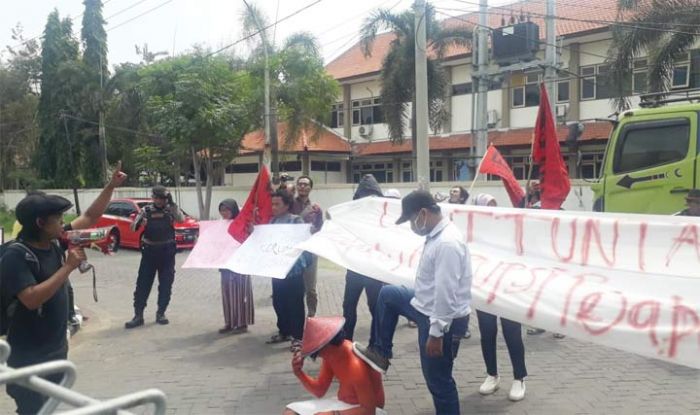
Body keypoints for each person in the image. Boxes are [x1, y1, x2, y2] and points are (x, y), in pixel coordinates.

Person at [0, 164, 126, 414]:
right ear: (40, 223)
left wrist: (111, 186)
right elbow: (31, 299)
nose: (63, 224)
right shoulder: (16, 256)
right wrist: (67, 268)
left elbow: (90, 217)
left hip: (56, 349)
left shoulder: (54, 240)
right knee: (33, 409)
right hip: (28, 357)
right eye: (58, 219)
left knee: (48, 408)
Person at [354, 190, 472, 415]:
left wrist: (436, 334)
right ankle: (381, 352)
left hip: (442, 319)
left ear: (423, 213)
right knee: (388, 294)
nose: (411, 226)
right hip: (424, 306)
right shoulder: (437, 236)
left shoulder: (447, 243)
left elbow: (446, 293)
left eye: (410, 220)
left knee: (438, 381)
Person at [473, 194, 527, 402]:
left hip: (506, 291)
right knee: (487, 333)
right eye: (487, 207)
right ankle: (492, 375)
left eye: (494, 206)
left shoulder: (507, 230)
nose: (491, 211)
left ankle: (519, 377)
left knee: (512, 333)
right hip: (484, 290)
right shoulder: (473, 233)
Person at [285, 316, 385, 415]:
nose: (321, 356)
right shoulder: (332, 354)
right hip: (344, 404)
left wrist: (333, 414)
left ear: (328, 346)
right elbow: (319, 390)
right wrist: (299, 373)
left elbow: (369, 410)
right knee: (290, 413)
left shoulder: (355, 367)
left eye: (320, 353)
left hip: (368, 410)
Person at [124, 185, 184, 329]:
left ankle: (161, 313)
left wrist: (172, 203)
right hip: (150, 252)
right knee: (142, 284)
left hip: (167, 252)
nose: (158, 201)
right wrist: (139, 223)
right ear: (153, 198)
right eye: (156, 198)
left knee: (165, 284)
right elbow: (132, 228)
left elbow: (181, 219)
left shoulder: (171, 210)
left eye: (162, 198)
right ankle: (138, 315)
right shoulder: (146, 211)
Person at [343, 175, 386, 346]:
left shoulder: (383, 217)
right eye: (364, 193)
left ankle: (376, 343)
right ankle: (346, 343)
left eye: (372, 194)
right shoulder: (350, 216)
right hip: (354, 267)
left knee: (375, 306)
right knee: (348, 306)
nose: (368, 197)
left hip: (373, 269)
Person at [264, 190, 308, 352]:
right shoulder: (273, 221)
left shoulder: (296, 221)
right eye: (272, 204)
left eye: (277, 204)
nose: (273, 207)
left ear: (287, 205)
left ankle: (298, 337)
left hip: (293, 270)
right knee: (279, 302)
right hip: (277, 270)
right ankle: (284, 331)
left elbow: (302, 240)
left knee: (295, 304)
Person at [218, 199, 254, 334]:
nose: (224, 213)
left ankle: (242, 323)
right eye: (222, 210)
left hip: (241, 264)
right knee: (227, 294)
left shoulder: (242, 224)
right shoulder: (219, 226)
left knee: (241, 294)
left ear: (233, 210)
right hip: (225, 265)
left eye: (227, 210)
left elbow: (249, 239)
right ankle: (229, 322)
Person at [290, 175, 323, 317]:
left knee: (311, 287)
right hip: (293, 250)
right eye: (300, 184)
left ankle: (311, 316)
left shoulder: (315, 207)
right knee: (294, 287)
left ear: (310, 188)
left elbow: (319, 228)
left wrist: (320, 216)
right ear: (297, 187)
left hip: (310, 250)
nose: (303, 186)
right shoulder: (289, 204)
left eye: (306, 184)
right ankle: (294, 317)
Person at [449, 187, 473, 340]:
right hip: (452, 251)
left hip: (464, 250)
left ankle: (463, 326)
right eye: (451, 191)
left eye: (456, 191)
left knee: (462, 291)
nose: (452, 193)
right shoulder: (445, 209)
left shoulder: (468, 210)